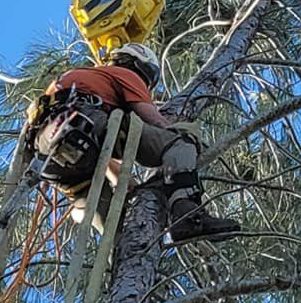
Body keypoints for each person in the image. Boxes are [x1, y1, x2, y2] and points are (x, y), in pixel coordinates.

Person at [27, 43, 240, 244]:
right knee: (180, 144)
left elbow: (107, 158)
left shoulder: (76, 79)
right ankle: (187, 213)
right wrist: (183, 136)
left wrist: (129, 185)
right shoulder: (125, 74)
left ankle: (116, 260)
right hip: (87, 126)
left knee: (110, 222)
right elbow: (152, 118)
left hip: (53, 157)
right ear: (139, 66)